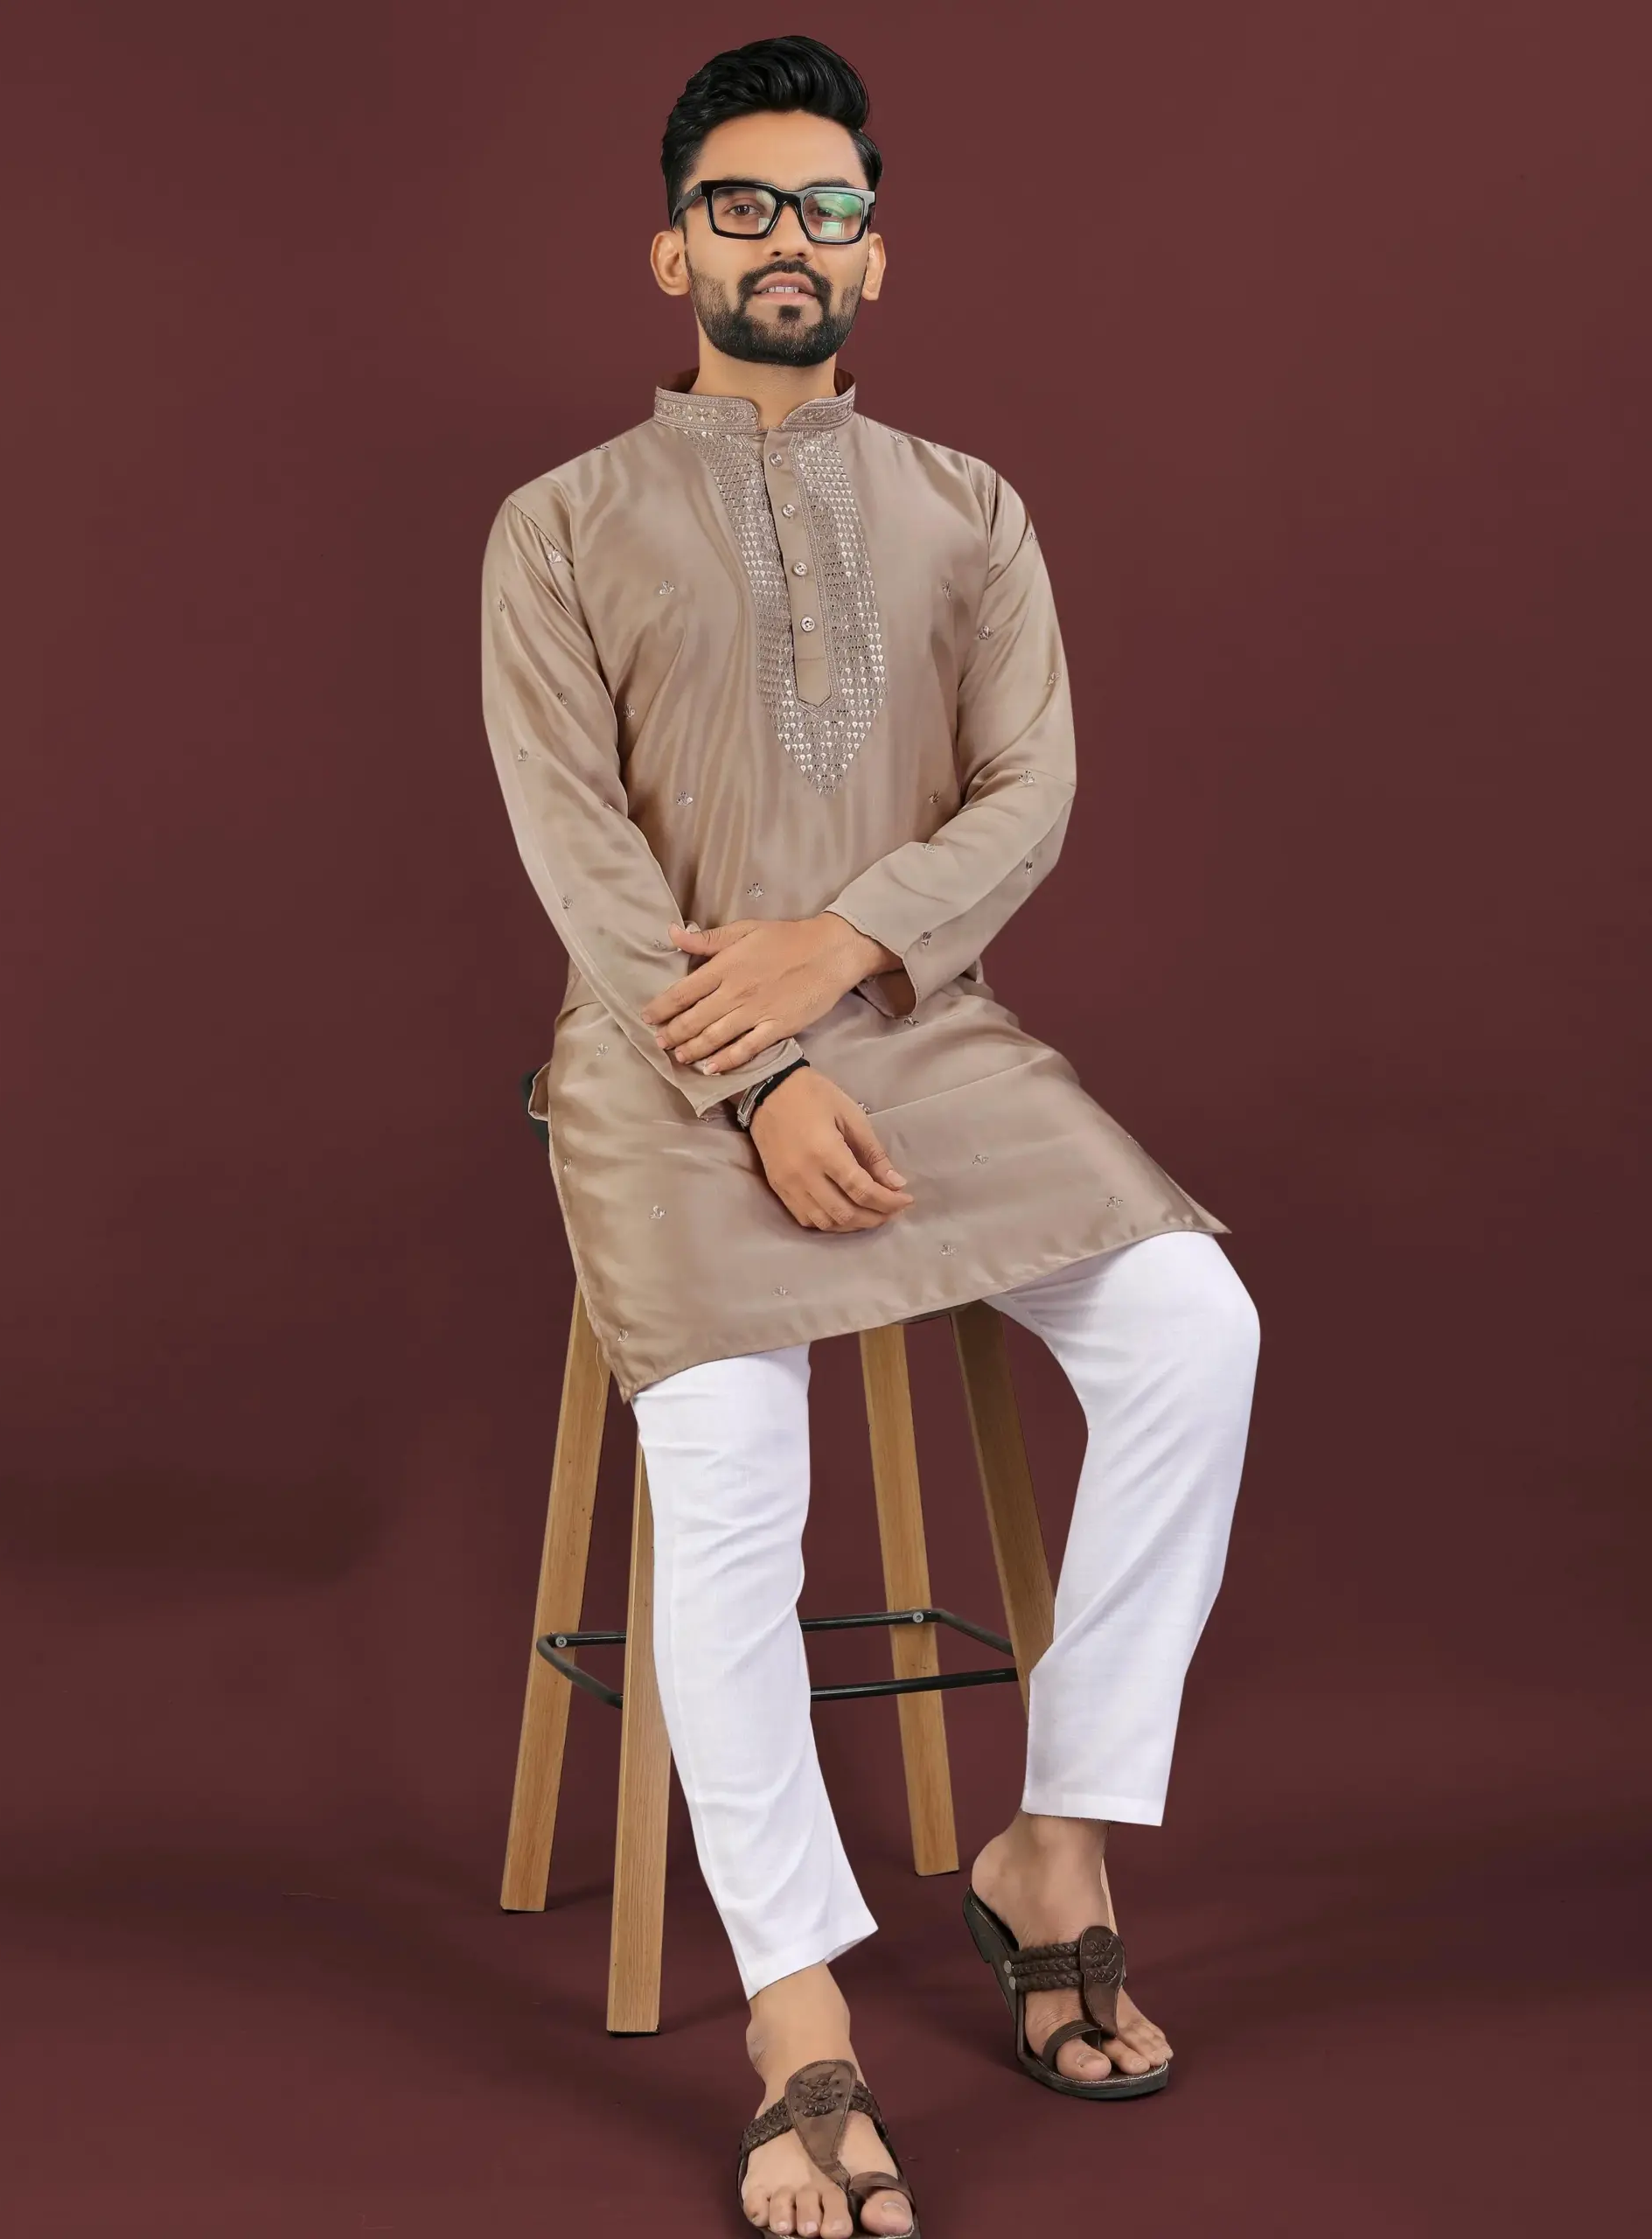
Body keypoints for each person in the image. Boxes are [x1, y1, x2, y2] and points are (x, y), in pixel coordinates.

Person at [480, 35, 1260, 2239]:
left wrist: (846, 955)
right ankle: (799, 2010)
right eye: (742, 204)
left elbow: (1030, 791)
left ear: (876, 254)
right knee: (739, 1472)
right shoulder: (558, 524)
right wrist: (754, 1066)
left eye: (827, 207)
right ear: (673, 249)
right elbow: (581, 853)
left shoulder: (970, 508)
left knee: (1196, 1325)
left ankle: (1058, 1839)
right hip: (661, 1063)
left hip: (926, 1029)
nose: (787, 240)